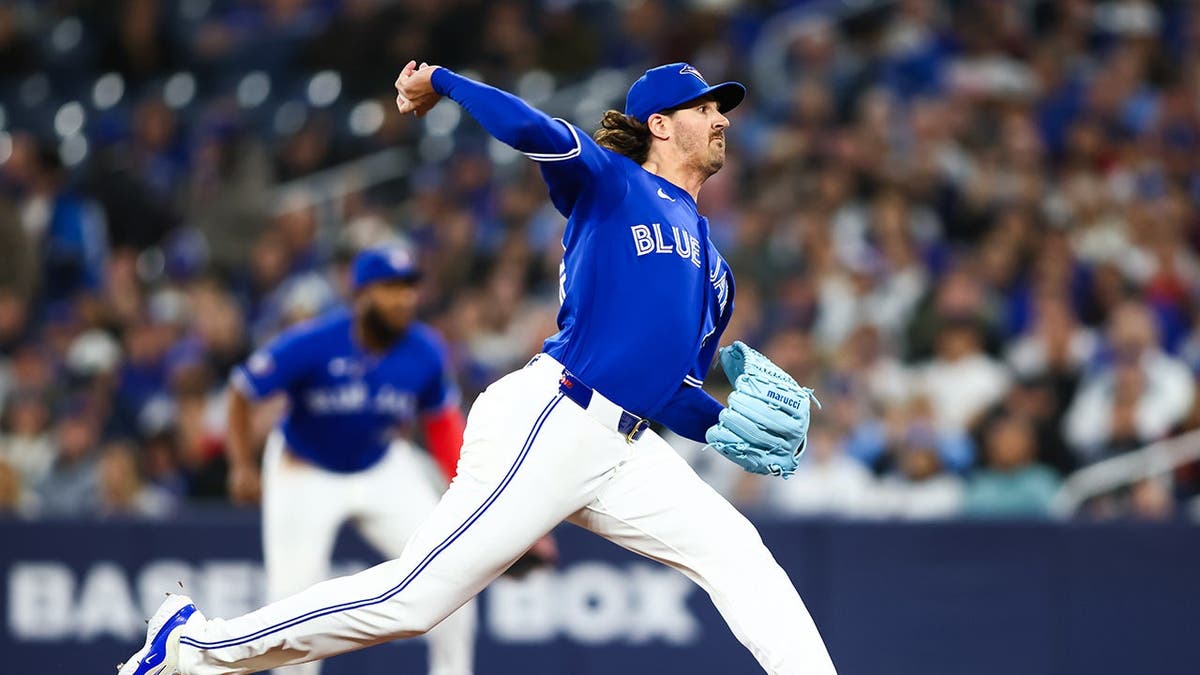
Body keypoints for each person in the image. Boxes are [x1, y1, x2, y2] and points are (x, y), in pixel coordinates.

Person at [119, 61, 837, 675]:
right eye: (704, 106)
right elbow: (535, 131)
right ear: (658, 124)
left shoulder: (715, 267)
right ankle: (192, 645)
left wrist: (725, 424)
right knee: (413, 600)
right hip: (556, 414)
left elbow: (673, 390)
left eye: (722, 109)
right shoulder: (614, 185)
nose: (720, 119)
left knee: (740, 552)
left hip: (626, 448)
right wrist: (446, 82)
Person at [223, 246, 479, 675]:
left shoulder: (425, 350)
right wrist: (241, 464)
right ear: (360, 295)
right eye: (391, 288)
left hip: (381, 464)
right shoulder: (314, 342)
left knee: (449, 580)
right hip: (304, 468)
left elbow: (442, 425)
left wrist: (474, 492)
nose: (404, 299)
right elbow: (241, 390)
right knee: (291, 615)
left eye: (409, 287)